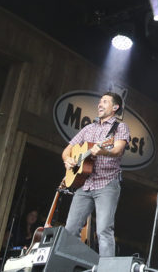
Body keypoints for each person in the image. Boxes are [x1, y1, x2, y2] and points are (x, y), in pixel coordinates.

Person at [61, 92, 130, 257]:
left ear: (115, 107)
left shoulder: (120, 127)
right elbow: (67, 150)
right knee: (70, 229)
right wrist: (68, 160)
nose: (100, 104)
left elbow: (117, 150)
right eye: (100, 101)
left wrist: (104, 151)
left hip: (106, 184)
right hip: (84, 184)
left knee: (104, 231)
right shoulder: (88, 128)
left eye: (105, 102)